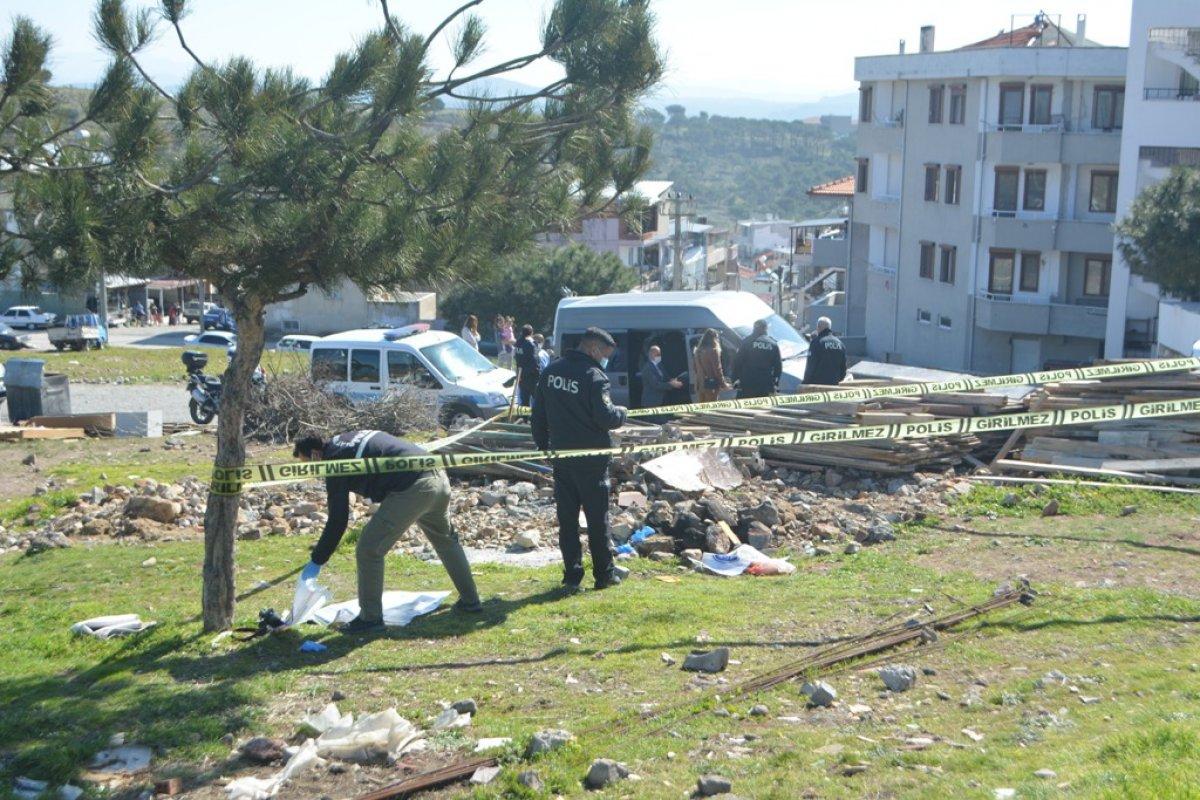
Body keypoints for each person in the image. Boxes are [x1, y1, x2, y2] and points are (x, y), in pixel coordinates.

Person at [293, 431, 482, 634]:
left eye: (308, 466)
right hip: (437, 476)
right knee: (446, 540)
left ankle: (370, 619)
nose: (313, 473)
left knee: (369, 549)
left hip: (414, 487)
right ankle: (470, 601)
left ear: (315, 455)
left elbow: (338, 520)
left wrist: (316, 561)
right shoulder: (346, 439)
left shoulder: (334, 461)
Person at [531, 327, 628, 591]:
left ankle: (572, 576)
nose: (605, 360)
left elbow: (537, 414)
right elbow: (606, 418)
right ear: (594, 349)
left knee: (568, 521)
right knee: (598, 520)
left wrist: (544, 447)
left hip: (562, 457)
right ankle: (604, 574)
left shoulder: (551, 372)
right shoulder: (594, 377)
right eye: (605, 355)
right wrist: (622, 413)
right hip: (592, 460)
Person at [732, 318, 783, 399]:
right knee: (762, 410)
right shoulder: (773, 344)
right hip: (764, 385)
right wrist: (775, 384)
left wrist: (735, 380)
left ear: (754, 328)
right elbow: (778, 367)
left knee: (743, 410)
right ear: (765, 329)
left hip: (747, 384)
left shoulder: (746, 342)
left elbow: (737, 362)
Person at [802, 316, 847, 386]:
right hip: (834, 386)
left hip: (817, 387)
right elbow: (843, 369)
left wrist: (805, 383)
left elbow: (810, 366)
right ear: (829, 327)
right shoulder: (840, 344)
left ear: (818, 327)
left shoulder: (816, 342)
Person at [693, 328, 729, 403]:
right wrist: (723, 384)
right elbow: (717, 369)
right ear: (714, 338)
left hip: (700, 384)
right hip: (710, 385)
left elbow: (695, 368)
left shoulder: (698, 351)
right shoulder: (713, 350)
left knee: (702, 408)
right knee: (711, 409)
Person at [514, 324, 542, 406]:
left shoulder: (518, 343)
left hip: (521, 376)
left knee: (524, 402)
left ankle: (524, 418)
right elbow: (535, 362)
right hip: (532, 377)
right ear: (531, 333)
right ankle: (536, 418)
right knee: (538, 401)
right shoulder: (531, 343)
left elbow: (517, 358)